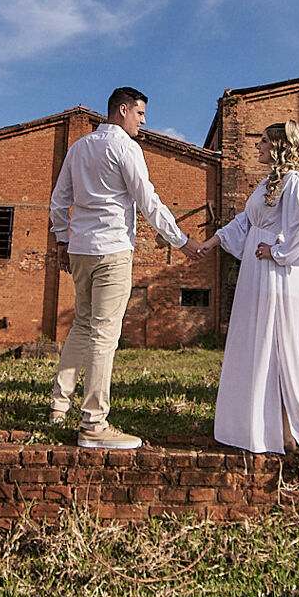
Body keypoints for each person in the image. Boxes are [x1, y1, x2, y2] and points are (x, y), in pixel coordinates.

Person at [184, 120, 299, 475]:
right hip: (257, 276)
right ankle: (283, 435)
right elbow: (245, 224)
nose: (258, 146)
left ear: (280, 145)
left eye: (264, 141)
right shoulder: (269, 183)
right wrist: (210, 243)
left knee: (282, 350)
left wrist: (279, 252)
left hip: (277, 277)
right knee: (260, 348)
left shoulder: (294, 182)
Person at [49, 86, 192, 450]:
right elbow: (148, 201)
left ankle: (58, 407)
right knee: (103, 335)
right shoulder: (126, 148)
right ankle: (94, 423)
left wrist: (63, 241)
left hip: (80, 250)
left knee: (82, 325)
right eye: (140, 114)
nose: (143, 121)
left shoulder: (78, 147)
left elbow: (59, 199)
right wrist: (181, 240)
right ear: (123, 110)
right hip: (111, 251)